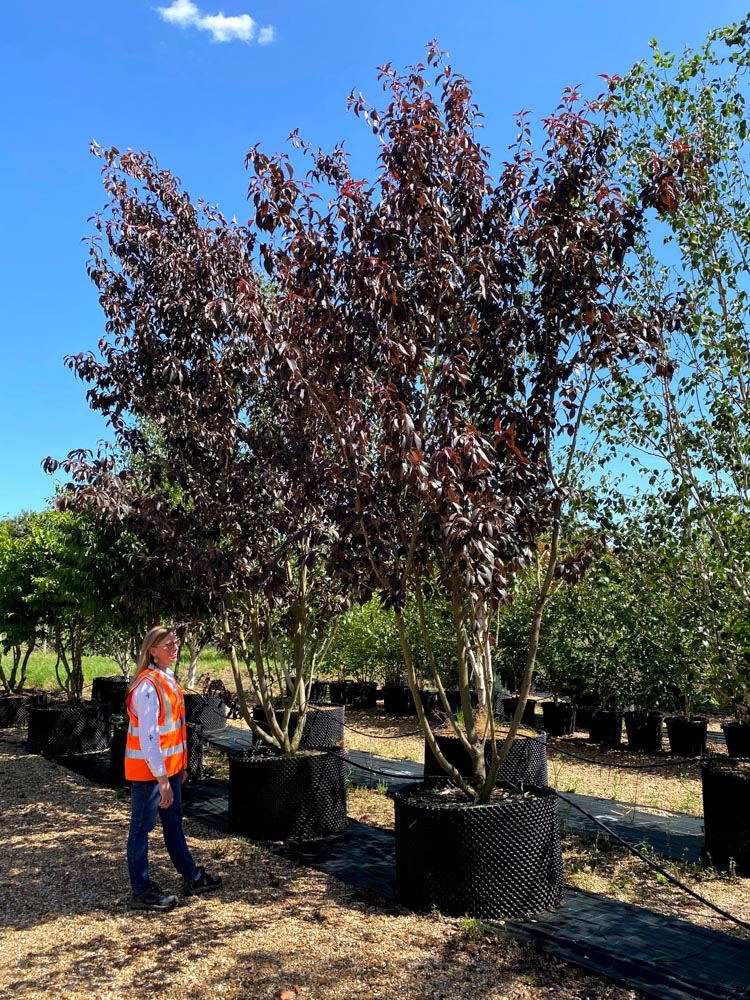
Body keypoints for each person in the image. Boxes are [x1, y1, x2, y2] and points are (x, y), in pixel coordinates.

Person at [125, 625, 222, 911]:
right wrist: (162, 781)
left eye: (175, 643)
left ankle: (192, 876)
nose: (175, 648)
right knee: (141, 828)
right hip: (150, 774)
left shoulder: (166, 680)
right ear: (152, 651)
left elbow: (173, 731)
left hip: (166, 771)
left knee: (173, 822)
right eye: (168, 645)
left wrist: (178, 767)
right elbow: (150, 738)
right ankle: (141, 890)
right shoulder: (147, 687)